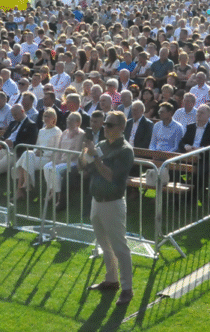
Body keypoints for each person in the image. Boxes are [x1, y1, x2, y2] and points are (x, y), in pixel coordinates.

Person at [80, 110, 135, 305]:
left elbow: (112, 177)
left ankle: (127, 289)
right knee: (105, 245)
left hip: (113, 202)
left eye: (109, 125)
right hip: (97, 201)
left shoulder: (125, 150)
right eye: (105, 124)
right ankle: (111, 280)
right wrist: (86, 151)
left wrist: (95, 157)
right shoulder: (102, 145)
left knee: (120, 248)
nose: (105, 127)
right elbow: (83, 167)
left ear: (121, 128)